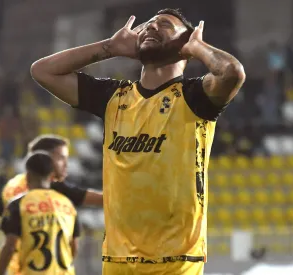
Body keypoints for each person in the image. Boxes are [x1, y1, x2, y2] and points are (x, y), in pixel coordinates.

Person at [31, 8, 245, 274]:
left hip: (175, 262)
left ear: (185, 44)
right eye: (149, 24)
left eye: (165, 25)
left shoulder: (194, 97)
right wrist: (110, 47)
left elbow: (232, 74)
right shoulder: (113, 97)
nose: (151, 27)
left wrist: (199, 47)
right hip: (117, 261)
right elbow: (42, 71)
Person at [0, 134, 102, 274]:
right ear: (45, 159)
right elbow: (101, 201)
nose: (66, 164)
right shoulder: (59, 192)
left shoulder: (13, 188)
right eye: (61, 158)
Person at [0, 151, 80, 275]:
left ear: (27, 176)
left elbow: (10, 247)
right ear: (51, 176)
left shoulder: (19, 205)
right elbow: (73, 247)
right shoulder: (67, 204)